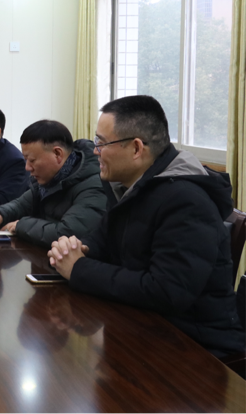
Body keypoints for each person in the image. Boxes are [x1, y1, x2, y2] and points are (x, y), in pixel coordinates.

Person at [48, 95, 245, 357]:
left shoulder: (186, 200)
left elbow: (167, 291)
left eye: (101, 143)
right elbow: (101, 241)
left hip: (195, 347)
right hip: (143, 327)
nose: (95, 151)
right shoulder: (129, 188)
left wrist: (79, 268)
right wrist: (75, 249)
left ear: (136, 148)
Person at [0, 120, 107, 247]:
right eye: (25, 160)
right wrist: (0, 214)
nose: (27, 167)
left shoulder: (94, 185)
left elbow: (67, 234)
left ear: (57, 154)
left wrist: (20, 225)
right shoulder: (49, 178)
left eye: (32, 160)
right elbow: (21, 205)